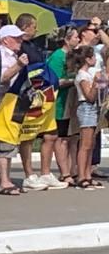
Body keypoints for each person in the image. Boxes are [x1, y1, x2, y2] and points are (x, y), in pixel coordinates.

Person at [13, 13, 64, 192]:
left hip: (45, 95)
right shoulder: (19, 46)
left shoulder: (33, 45)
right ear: (26, 27)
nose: (36, 30)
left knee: (51, 134)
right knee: (27, 136)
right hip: (28, 96)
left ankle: (46, 173)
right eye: (34, 26)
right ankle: (29, 175)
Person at [0, 25, 29, 195]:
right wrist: (18, 66)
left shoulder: (14, 55)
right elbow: (2, 78)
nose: (20, 41)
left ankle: (5, 178)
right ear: (5, 40)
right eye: (16, 38)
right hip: (2, 103)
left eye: (21, 37)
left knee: (11, 140)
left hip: (15, 102)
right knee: (4, 141)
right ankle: (4, 181)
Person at [47, 26, 81, 187]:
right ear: (67, 39)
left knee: (71, 137)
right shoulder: (58, 56)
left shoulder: (73, 55)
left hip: (72, 102)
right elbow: (54, 81)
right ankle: (64, 172)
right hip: (60, 102)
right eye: (75, 37)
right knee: (61, 138)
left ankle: (73, 169)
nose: (78, 40)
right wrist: (73, 80)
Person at [73, 45, 102, 188]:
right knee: (85, 144)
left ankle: (88, 174)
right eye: (93, 57)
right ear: (87, 59)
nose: (95, 59)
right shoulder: (82, 75)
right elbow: (89, 96)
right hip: (86, 108)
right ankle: (81, 175)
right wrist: (96, 83)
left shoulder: (90, 73)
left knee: (92, 144)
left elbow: (99, 91)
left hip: (95, 108)